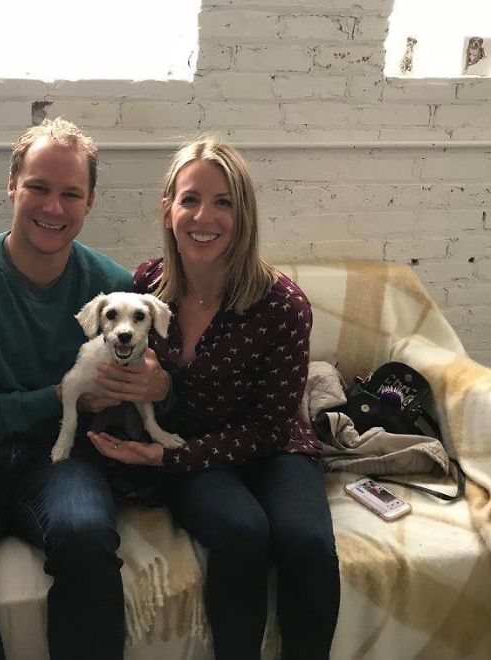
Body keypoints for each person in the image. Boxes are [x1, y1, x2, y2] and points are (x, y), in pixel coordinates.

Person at [0, 118, 169, 660]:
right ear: (12, 186)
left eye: (71, 193)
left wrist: (159, 385)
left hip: (59, 459)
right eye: (38, 187)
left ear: (90, 201)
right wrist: (56, 397)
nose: (53, 207)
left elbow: (149, 392)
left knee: (89, 540)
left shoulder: (110, 287)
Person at [89, 137, 341, 659]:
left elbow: (271, 427)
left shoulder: (283, 305)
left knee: (308, 544)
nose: (205, 215)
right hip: (193, 451)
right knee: (242, 532)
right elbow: (122, 377)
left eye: (223, 201)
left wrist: (167, 455)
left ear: (243, 214)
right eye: (190, 199)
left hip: (269, 447)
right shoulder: (144, 289)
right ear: (168, 208)